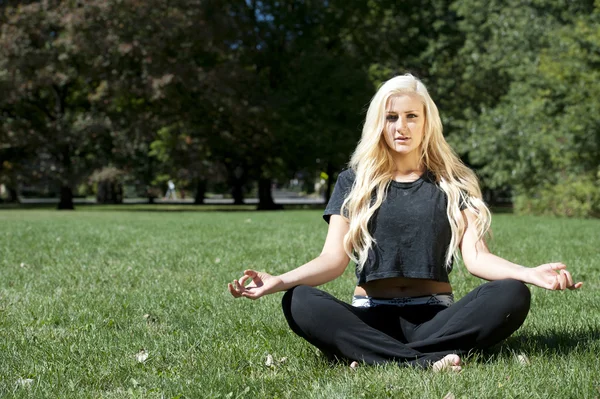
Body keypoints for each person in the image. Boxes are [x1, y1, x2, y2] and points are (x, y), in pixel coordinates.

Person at [227, 74, 583, 372]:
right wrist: (279, 281)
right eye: (392, 117)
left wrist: (528, 274)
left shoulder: (453, 181)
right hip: (370, 315)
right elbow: (332, 260)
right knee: (300, 301)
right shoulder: (353, 182)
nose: (402, 127)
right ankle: (423, 361)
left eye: (412, 116)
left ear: (427, 121)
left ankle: (374, 356)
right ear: (378, 123)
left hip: (435, 318)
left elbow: (476, 257)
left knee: (511, 293)